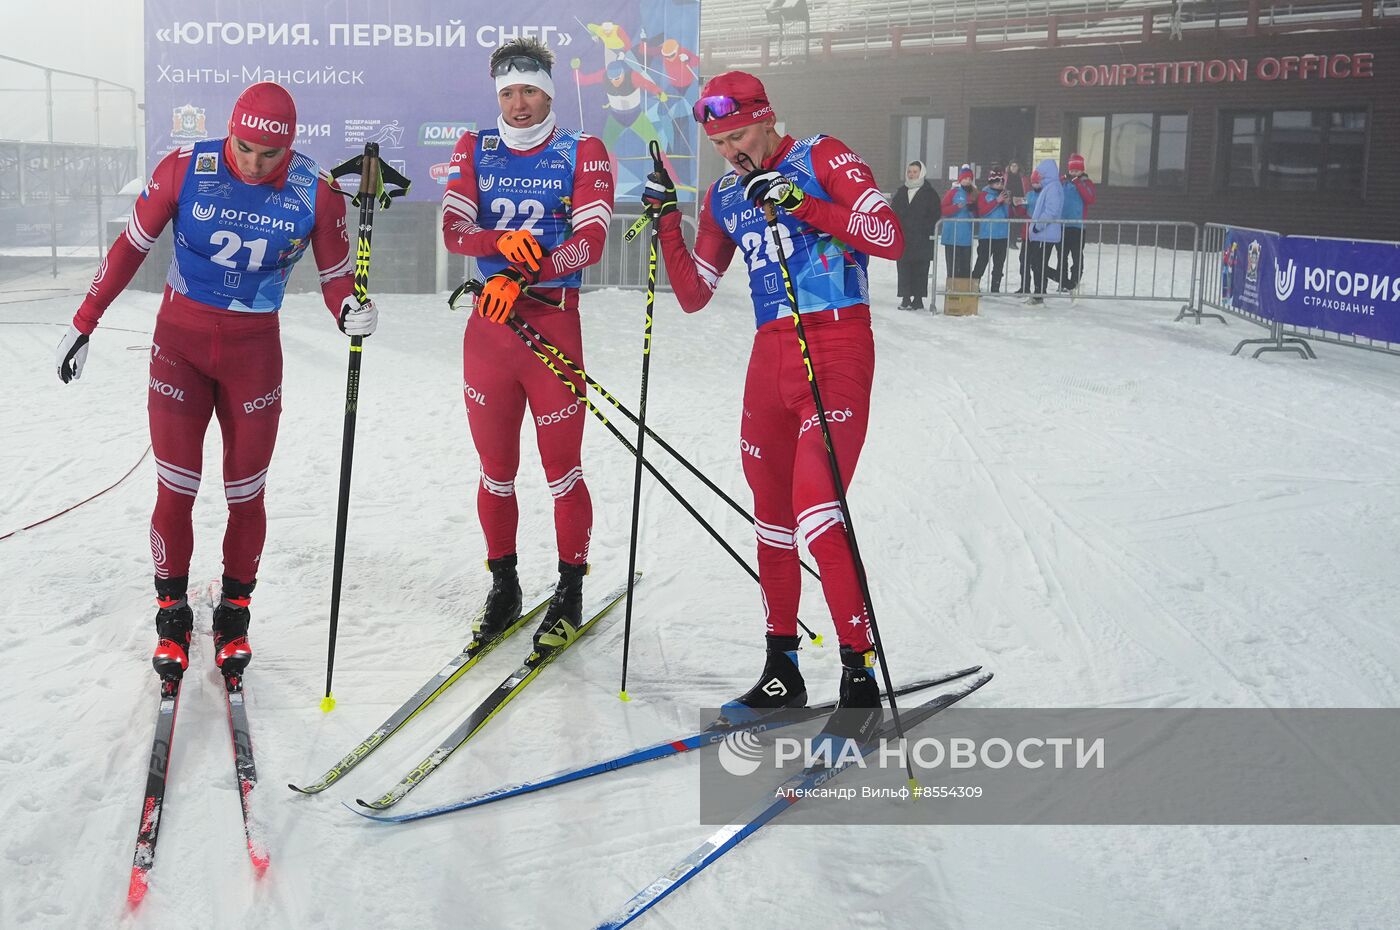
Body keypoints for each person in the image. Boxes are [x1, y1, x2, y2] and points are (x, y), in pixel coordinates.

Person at [53, 81, 373, 682]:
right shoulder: (185, 168)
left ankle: (235, 615)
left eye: (268, 154)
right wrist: (84, 322)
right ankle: (171, 618)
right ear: (230, 131)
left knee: (245, 493)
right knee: (177, 486)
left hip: (254, 356)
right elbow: (129, 247)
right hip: (180, 346)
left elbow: (335, 276)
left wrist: (349, 309)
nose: (253, 163)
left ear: (290, 147)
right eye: (244, 147)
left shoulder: (317, 191)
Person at [641, 71, 904, 741]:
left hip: (836, 346)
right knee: (773, 520)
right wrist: (667, 218)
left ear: (767, 119)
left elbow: (886, 233)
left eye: (737, 135)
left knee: (819, 510)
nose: (729, 151)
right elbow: (695, 291)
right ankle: (781, 672)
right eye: (718, 141)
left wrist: (800, 202)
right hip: (769, 358)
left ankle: (858, 677)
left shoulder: (820, 156)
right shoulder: (728, 195)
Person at [440, 38, 615, 651]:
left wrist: (527, 270)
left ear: (550, 92)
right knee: (496, 473)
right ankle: (505, 584)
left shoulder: (581, 150)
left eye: (531, 92)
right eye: (509, 93)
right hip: (491, 331)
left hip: (551, 322)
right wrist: (497, 240)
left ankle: (570, 588)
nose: (519, 105)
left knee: (562, 471)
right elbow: (454, 230)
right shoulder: (476, 147)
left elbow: (590, 240)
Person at [890, 160, 938, 310]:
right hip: (904, 237)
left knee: (920, 269)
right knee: (904, 268)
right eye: (909, 171)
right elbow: (894, 211)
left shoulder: (930, 193)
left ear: (921, 173)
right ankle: (905, 298)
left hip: (922, 238)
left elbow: (935, 214)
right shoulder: (901, 192)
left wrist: (924, 227)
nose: (912, 174)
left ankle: (918, 299)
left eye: (915, 172)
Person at [1051, 152, 1097, 295]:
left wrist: (1078, 183)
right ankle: (1063, 281)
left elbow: (1090, 198)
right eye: (1072, 170)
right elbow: (1052, 189)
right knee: (1061, 255)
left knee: (1076, 255)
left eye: (1077, 170)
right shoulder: (1063, 182)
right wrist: (1062, 178)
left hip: (1077, 226)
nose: (1074, 173)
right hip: (1062, 225)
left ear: (1082, 170)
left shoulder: (1086, 183)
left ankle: (1075, 280)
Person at [1025, 159, 1063, 305]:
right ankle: (1039, 292)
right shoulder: (1050, 187)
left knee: (1038, 264)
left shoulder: (1052, 188)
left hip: (1045, 234)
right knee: (1038, 264)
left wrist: (1037, 226)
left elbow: (1051, 211)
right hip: (1044, 234)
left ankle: (1065, 283)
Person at [972, 168, 1011, 293]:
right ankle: (974, 285)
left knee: (999, 263)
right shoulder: (984, 195)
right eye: (997, 182)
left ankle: (995, 287)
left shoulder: (1004, 194)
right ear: (991, 183)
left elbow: (1008, 215)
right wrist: (996, 201)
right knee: (982, 261)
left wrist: (1006, 204)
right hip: (987, 235)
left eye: (1001, 183)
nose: (999, 185)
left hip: (1002, 235)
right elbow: (983, 211)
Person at [939, 164, 979, 278]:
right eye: (965, 178)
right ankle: (952, 286)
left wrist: (972, 210)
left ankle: (964, 287)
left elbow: (977, 215)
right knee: (952, 265)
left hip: (966, 235)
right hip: (952, 235)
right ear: (960, 179)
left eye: (970, 179)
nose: (967, 181)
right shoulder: (952, 192)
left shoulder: (974, 194)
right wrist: (956, 207)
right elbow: (942, 209)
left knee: (965, 264)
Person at [1014, 168, 1041, 293]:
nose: (1036, 184)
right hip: (1027, 233)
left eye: (1038, 182)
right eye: (1034, 182)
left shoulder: (1045, 194)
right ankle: (1025, 286)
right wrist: (1018, 205)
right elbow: (1022, 211)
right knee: (1023, 260)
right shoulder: (1029, 195)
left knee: (1037, 262)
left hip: (1040, 233)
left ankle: (1039, 288)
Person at [1005, 160, 1026, 250]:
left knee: (1017, 222)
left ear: (1018, 167)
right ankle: (1009, 240)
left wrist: (1023, 200)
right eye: (1012, 166)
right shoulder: (1006, 177)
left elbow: (1025, 190)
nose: (1013, 167)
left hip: (1019, 202)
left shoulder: (1022, 178)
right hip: (1008, 203)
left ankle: (1014, 239)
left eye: (1015, 165)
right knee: (1009, 223)